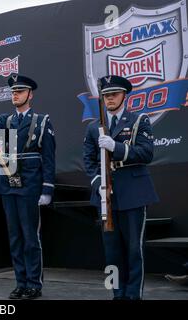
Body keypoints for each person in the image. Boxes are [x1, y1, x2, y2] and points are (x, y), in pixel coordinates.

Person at [0, 74, 55, 299]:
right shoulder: (5, 121)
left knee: (30, 237)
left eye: (20, 91)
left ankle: (34, 284)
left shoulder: (42, 121)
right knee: (15, 237)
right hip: (8, 183)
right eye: (13, 92)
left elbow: (48, 158)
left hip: (30, 184)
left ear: (30, 94)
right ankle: (20, 282)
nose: (15, 95)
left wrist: (47, 189)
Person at [83, 75, 159, 300]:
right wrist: (98, 183)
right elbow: (88, 160)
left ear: (124, 95)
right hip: (106, 195)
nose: (109, 99)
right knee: (111, 250)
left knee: (134, 250)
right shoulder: (93, 127)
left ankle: (133, 295)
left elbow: (146, 154)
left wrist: (115, 147)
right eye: (106, 95)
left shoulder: (138, 121)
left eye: (114, 94)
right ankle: (117, 293)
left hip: (133, 191)